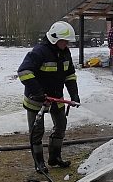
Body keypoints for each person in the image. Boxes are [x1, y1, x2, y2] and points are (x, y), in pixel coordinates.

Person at [18, 21, 80, 173]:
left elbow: (70, 75)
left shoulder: (65, 53)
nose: (66, 44)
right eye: (64, 41)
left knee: (61, 126)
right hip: (36, 100)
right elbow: (24, 71)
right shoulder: (39, 52)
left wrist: (74, 94)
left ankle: (55, 158)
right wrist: (38, 92)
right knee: (37, 132)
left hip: (56, 98)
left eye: (67, 42)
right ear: (54, 38)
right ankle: (39, 163)